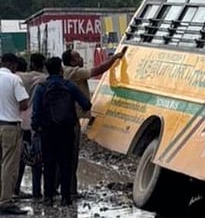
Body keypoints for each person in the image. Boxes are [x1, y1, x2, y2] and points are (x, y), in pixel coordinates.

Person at [61, 48, 125, 198]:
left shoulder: (65, 72)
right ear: (72, 61)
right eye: (78, 57)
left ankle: (58, 190)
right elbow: (97, 70)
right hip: (72, 120)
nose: (81, 59)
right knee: (72, 157)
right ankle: (70, 191)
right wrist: (114, 58)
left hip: (62, 120)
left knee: (62, 157)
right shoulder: (75, 72)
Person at [32, 57, 92, 207]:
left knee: (49, 163)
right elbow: (86, 104)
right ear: (61, 69)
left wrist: (36, 128)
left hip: (47, 132)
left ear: (47, 70)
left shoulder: (42, 88)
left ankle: (48, 197)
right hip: (66, 130)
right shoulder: (69, 86)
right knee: (66, 163)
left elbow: (36, 112)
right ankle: (66, 197)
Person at [0, 53, 30, 214]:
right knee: (9, 164)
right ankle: (5, 201)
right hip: (9, 126)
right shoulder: (13, 79)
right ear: (13, 65)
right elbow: (24, 104)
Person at [15, 54, 47, 200]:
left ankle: (15, 188)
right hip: (35, 123)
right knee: (37, 159)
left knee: (18, 159)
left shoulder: (17, 78)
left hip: (18, 122)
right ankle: (37, 192)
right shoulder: (43, 79)